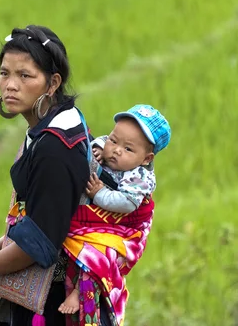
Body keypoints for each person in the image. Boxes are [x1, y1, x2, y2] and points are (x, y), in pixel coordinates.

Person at [0, 24, 94, 325]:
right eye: (4, 73)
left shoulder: (56, 148)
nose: (10, 85)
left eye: (24, 75)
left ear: (52, 83)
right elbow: (38, 218)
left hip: (54, 305)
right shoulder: (47, 131)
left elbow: (39, 243)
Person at [60, 104, 171, 325]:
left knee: (101, 253)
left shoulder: (140, 176)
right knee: (84, 243)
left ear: (147, 158)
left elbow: (127, 203)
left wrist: (100, 193)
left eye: (128, 149)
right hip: (100, 223)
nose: (117, 150)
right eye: (114, 140)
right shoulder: (110, 149)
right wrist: (99, 148)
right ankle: (76, 283)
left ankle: (82, 293)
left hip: (126, 232)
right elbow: (99, 141)